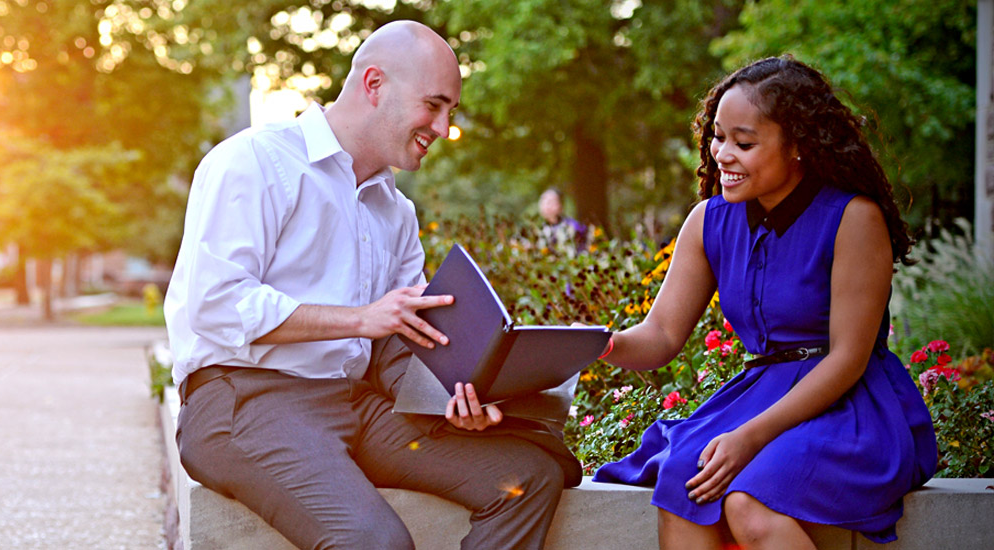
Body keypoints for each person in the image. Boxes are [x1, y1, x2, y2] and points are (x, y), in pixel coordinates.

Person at [165, 20, 579, 550]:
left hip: (354, 405)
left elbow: (396, 350)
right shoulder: (252, 163)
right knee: (373, 542)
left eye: (451, 111)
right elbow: (216, 304)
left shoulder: (397, 212)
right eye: (434, 104)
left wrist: (456, 394)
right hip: (243, 397)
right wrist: (360, 318)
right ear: (374, 84)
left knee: (526, 481)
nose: (444, 126)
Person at [591, 56, 937, 548]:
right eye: (717, 137)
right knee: (686, 485)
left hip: (849, 405)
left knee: (749, 502)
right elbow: (662, 337)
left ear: (797, 145)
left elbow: (848, 359)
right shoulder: (708, 221)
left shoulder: (854, 218)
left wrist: (750, 437)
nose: (722, 155)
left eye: (744, 143)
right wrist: (597, 345)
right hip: (758, 395)